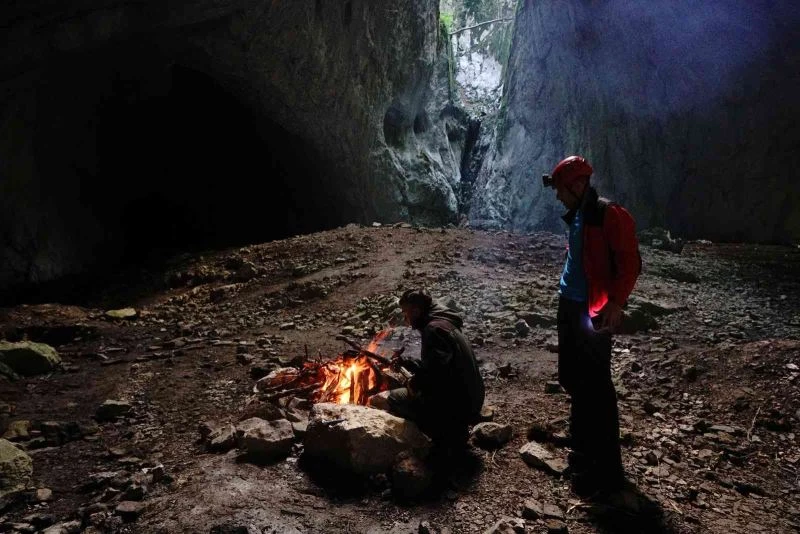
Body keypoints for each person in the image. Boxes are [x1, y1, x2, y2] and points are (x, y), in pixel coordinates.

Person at [543, 155, 641, 497]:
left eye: (560, 190)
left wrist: (616, 303)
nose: (557, 197)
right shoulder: (580, 214)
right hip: (570, 305)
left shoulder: (609, 214)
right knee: (572, 376)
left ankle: (606, 467)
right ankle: (583, 446)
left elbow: (630, 263)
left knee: (596, 383)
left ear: (578, 185)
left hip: (593, 310)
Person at [387, 289, 485, 461]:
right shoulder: (444, 322)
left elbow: (435, 376)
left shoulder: (433, 330)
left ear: (416, 311)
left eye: (406, 312)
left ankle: (441, 439)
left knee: (396, 398)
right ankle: (452, 430)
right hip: (472, 397)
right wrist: (406, 362)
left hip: (461, 407)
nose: (406, 318)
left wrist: (414, 384)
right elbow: (438, 365)